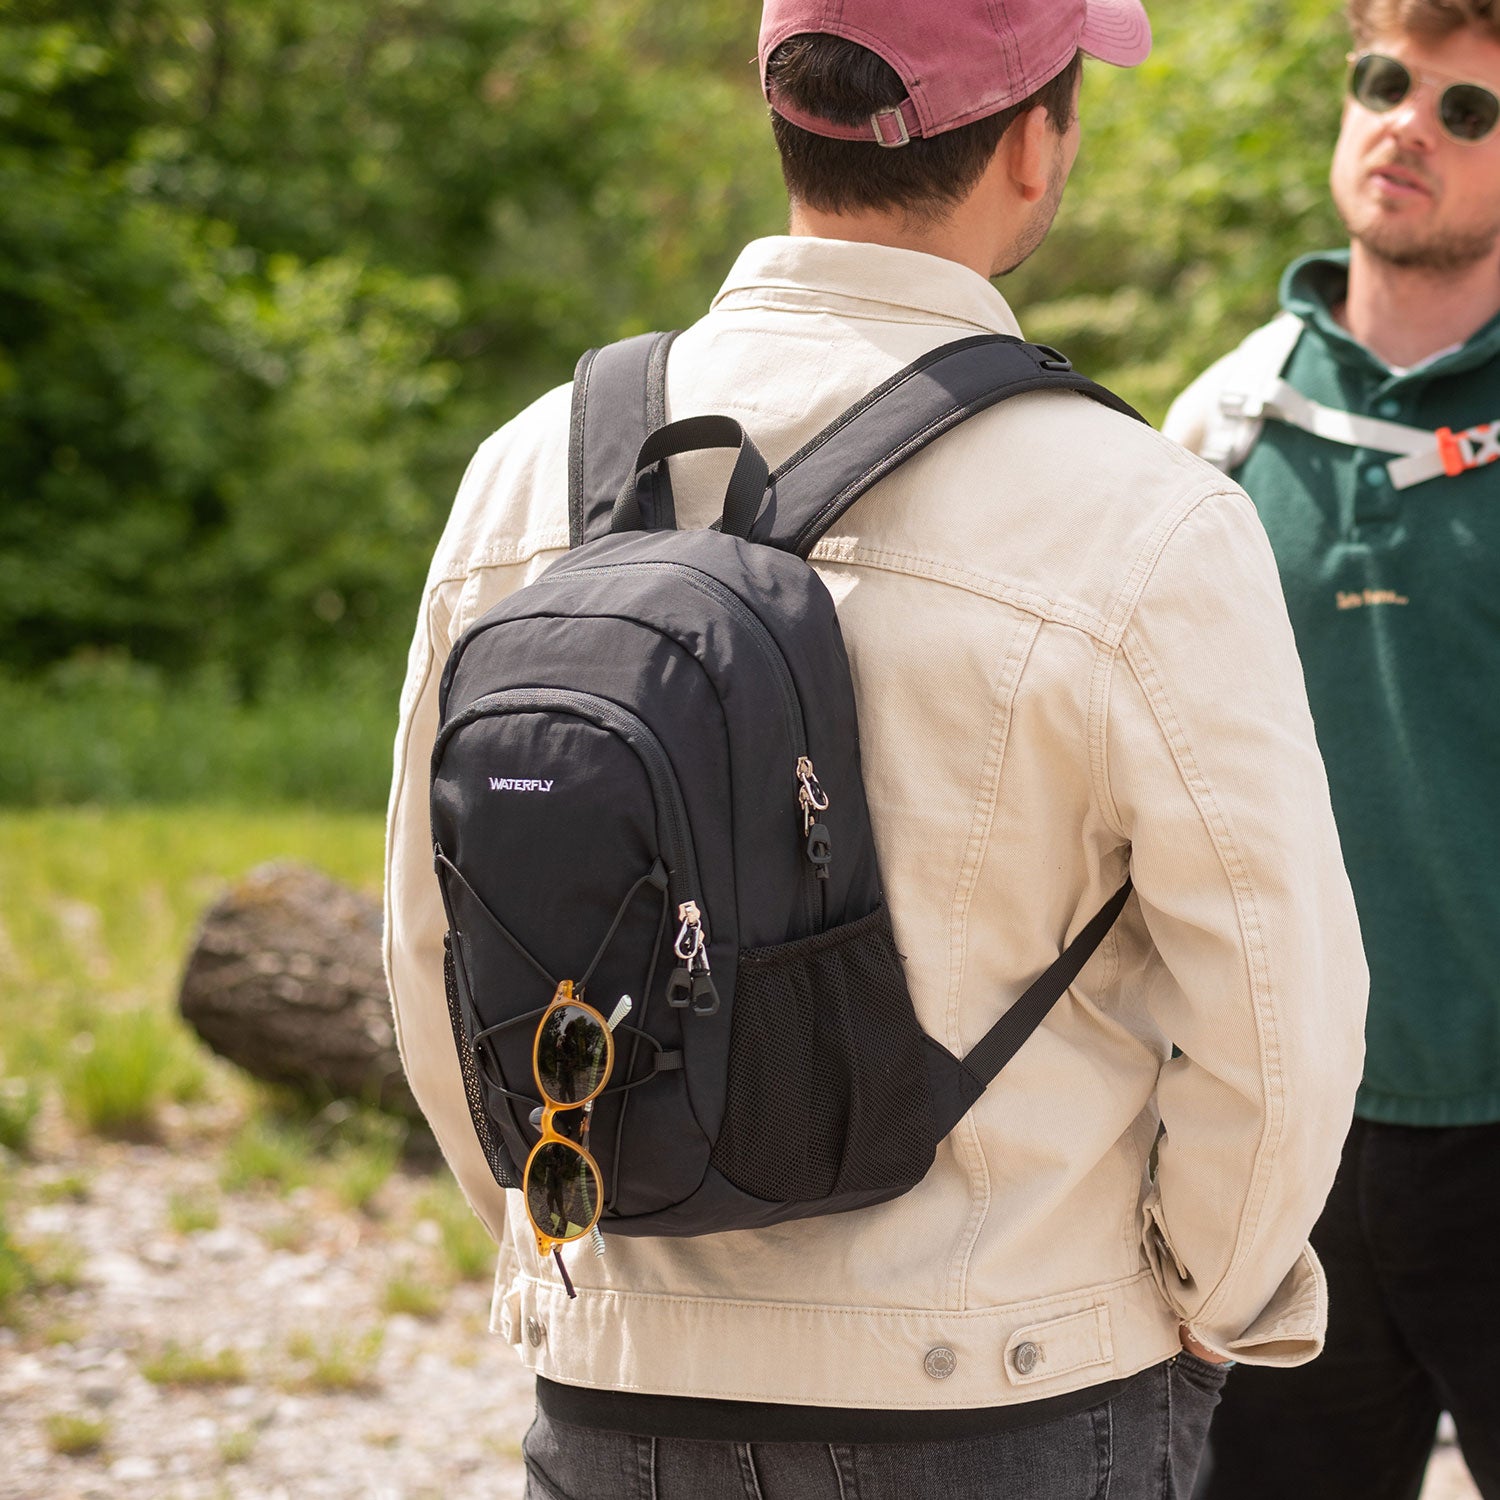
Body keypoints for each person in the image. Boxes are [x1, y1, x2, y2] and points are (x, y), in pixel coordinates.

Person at [385, 2, 1367, 1496]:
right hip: (1006, 1387)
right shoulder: (1141, 514)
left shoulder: (525, 471)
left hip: (617, 1394)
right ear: (1035, 143)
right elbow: (1277, 1003)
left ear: (783, 102)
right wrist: (1205, 1302)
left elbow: (431, 941)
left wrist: (575, 1244)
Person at [1165, 4, 1500, 1496]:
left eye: (1467, 109)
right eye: (1384, 82)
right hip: (1284, 1149)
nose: (1407, 124)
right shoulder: (1222, 425)